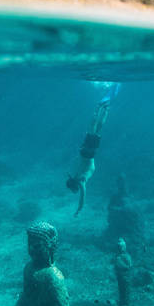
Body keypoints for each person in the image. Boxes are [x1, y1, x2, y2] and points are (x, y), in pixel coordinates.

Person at [67, 83, 120, 216]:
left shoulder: (79, 179)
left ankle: (105, 108)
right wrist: (79, 210)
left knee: (97, 129)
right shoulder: (80, 180)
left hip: (89, 153)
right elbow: (82, 197)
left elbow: (81, 194)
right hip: (87, 152)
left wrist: (79, 210)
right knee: (92, 128)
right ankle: (101, 107)